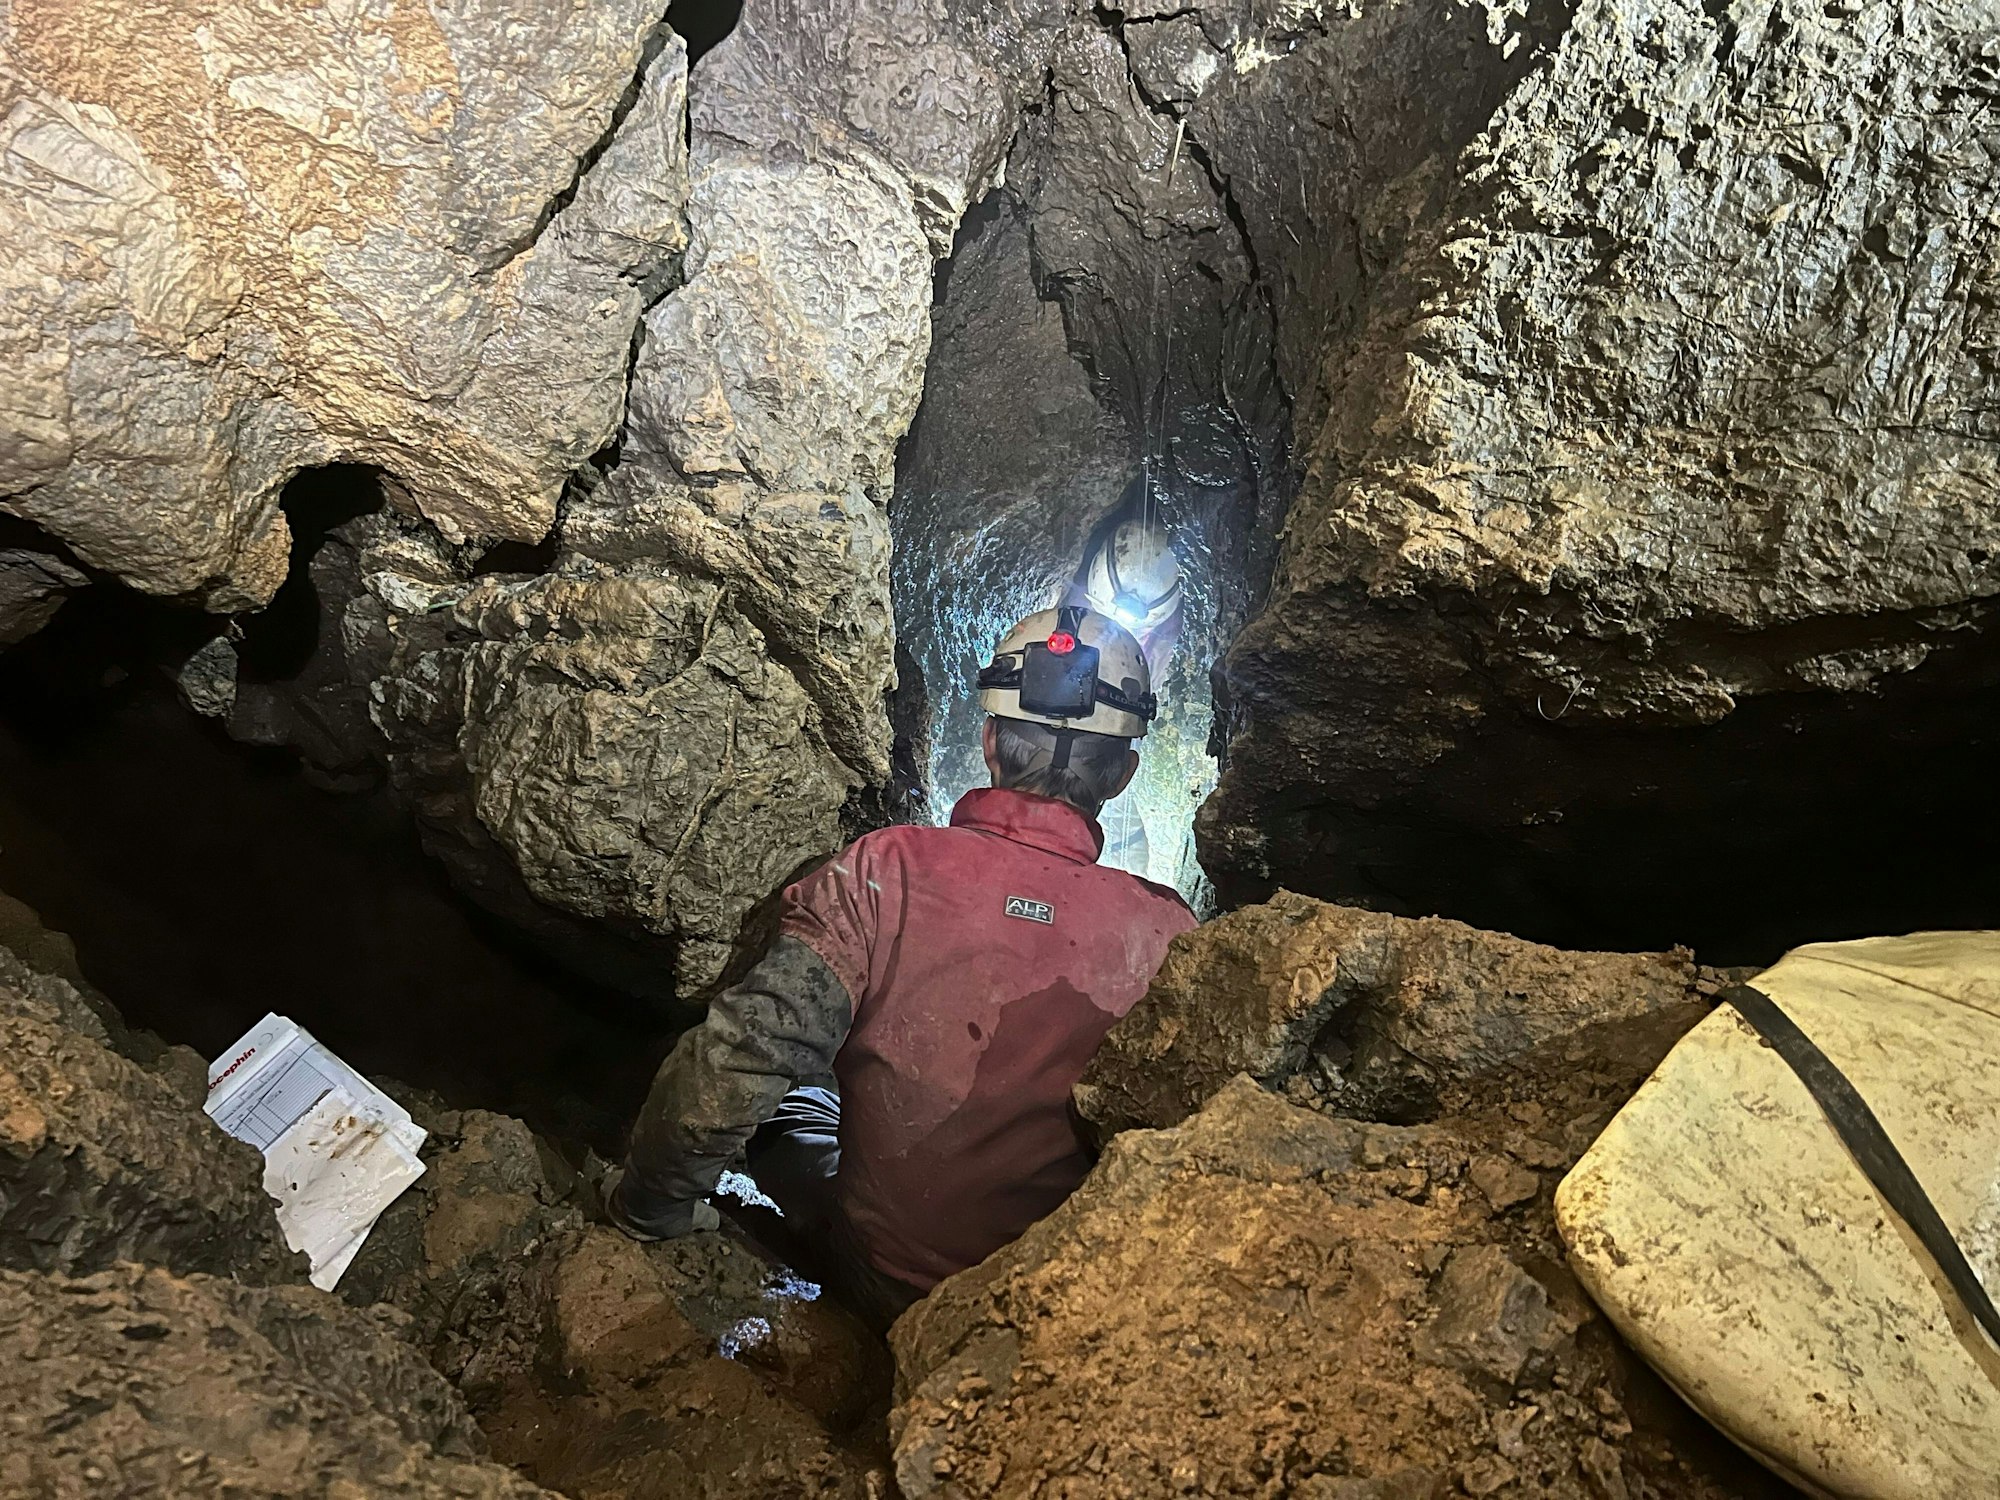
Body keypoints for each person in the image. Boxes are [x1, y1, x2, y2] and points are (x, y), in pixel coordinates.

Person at [605, 605, 1197, 1325]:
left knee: (797, 1100)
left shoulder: (886, 869)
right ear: (1124, 774)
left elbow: (739, 1058)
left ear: (989, 740)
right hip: (1042, 1309)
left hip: (879, 1279)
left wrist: (649, 1211)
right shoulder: (1168, 933)